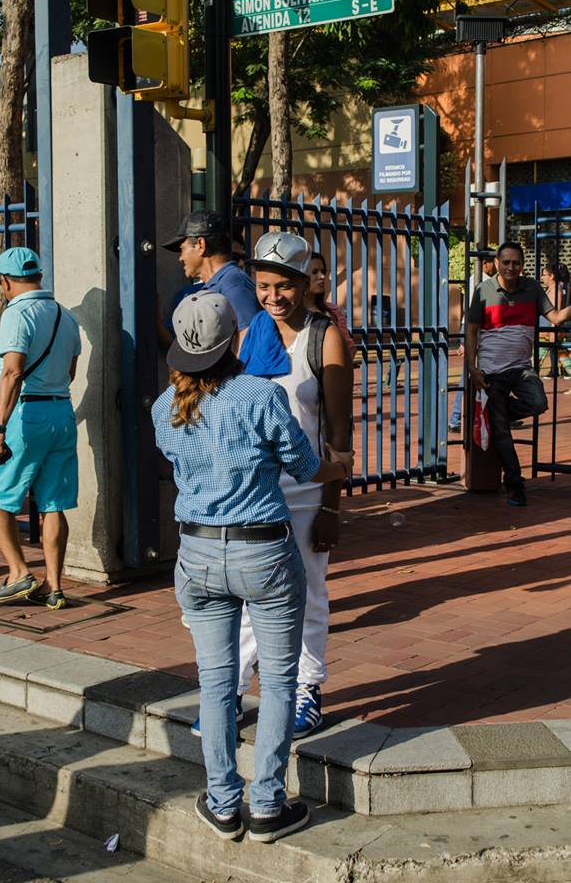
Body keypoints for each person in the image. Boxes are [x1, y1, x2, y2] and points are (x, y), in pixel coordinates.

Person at [152, 291, 350, 843]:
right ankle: (266, 803)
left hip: (195, 555)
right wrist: (336, 469)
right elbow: (306, 466)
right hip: (261, 551)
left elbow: (183, 461)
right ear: (235, 337)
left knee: (216, 684)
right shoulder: (259, 395)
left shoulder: (162, 406)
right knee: (280, 680)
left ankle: (221, 802)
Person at [237, 231, 353, 738]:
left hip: (307, 494)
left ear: (304, 284)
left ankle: (308, 690)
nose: (273, 297)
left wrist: (330, 505)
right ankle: (234, 692)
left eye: (284, 286)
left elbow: (339, 431)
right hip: (254, 492)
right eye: (264, 286)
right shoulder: (250, 335)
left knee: (308, 593)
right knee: (243, 593)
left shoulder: (324, 337)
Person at [0, 247, 81, 609]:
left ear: (5, 281)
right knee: (54, 503)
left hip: (27, 414)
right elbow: (70, 372)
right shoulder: (65, 317)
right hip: (62, 413)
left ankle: (19, 571)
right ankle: (54, 587)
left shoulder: (16, 314)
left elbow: (12, 371)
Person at [466, 242, 571, 506]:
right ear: (498, 263)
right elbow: (471, 330)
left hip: (521, 368)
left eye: (516, 263)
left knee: (538, 402)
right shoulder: (483, 290)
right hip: (491, 372)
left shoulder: (532, 289)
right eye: (506, 262)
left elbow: (556, 318)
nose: (511, 267)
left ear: (522, 265)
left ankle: (494, 417)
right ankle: (515, 485)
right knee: (502, 432)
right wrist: (472, 367)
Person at [162, 211, 259, 331]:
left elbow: (249, 340)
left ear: (200, 245)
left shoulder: (233, 284)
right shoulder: (220, 283)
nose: (180, 258)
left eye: (182, 249)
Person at [449, 254, 496, 433]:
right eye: (494, 262)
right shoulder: (484, 282)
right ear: (486, 263)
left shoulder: (475, 280)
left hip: (469, 325)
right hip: (474, 327)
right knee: (470, 373)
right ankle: (456, 417)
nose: (496, 266)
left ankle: (488, 415)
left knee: (475, 373)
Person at [305, 252, 356, 362]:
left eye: (323, 271)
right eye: (315, 272)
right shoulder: (290, 312)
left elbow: (349, 346)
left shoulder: (333, 311)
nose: (322, 276)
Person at [539, 263, 571, 379]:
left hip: (547, 330)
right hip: (547, 329)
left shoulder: (554, 290)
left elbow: (555, 312)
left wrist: (553, 330)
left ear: (551, 276)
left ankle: (530, 374)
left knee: (538, 355)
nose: (542, 277)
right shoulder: (552, 289)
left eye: (544, 275)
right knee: (562, 353)